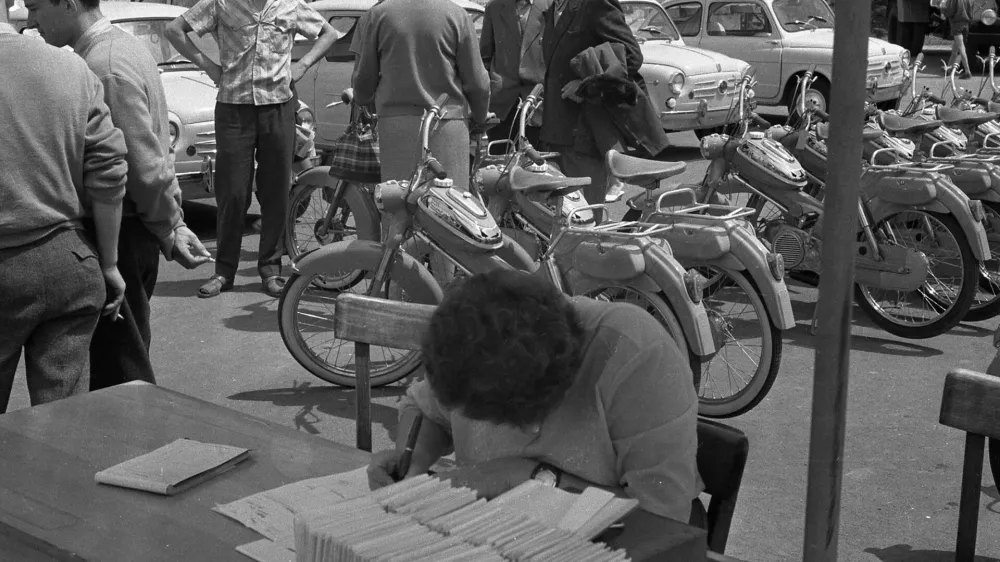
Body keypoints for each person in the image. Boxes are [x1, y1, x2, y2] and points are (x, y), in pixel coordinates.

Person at [367, 269, 701, 523]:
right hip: (486, 536)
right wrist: (412, 465)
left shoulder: (637, 355)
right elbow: (425, 410)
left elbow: (661, 518)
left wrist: (524, 476)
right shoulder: (477, 341)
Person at [25, 0, 214, 391]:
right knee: (124, 359)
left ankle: (138, 430)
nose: (31, 20)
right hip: (132, 227)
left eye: (36, 7)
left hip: (121, 229)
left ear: (69, 4)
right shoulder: (120, 46)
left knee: (121, 375)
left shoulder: (103, 65)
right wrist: (171, 223)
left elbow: (139, 166)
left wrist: (170, 226)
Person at [165, 0, 342, 298]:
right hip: (234, 107)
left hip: (278, 105)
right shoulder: (221, 3)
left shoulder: (290, 5)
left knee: (276, 191)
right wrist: (209, 66)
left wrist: (302, 64)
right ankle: (224, 271)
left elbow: (329, 33)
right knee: (232, 192)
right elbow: (175, 30)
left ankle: (271, 269)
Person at [0, 0, 127, 412]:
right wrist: (110, 262)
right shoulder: (71, 67)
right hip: (69, 263)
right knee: (65, 421)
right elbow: (109, 170)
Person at [539, 0, 670, 209]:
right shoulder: (554, 7)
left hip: (583, 134)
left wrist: (586, 84)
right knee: (557, 217)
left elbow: (631, 55)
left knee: (586, 216)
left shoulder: (595, 4)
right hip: (554, 132)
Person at [352, 0, 491, 191]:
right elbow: (479, 82)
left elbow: (363, 82)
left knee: (399, 202)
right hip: (448, 125)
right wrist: (480, 116)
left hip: (397, 128)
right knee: (451, 202)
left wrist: (362, 98)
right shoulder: (457, 15)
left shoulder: (378, 16)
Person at [480, 0, 550, 146]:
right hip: (502, 104)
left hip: (538, 102)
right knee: (499, 157)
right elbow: (485, 57)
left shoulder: (550, 5)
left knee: (535, 158)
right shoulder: (494, 6)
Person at [944, 0, 973, 79]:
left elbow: (950, 12)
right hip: (966, 24)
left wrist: (943, 10)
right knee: (955, 49)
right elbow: (971, 13)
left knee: (961, 48)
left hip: (956, 25)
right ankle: (949, 69)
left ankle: (967, 71)